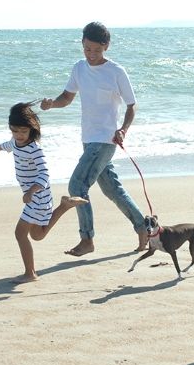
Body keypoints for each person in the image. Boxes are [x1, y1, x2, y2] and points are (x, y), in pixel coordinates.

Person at [40, 22, 147, 257]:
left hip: (106, 140)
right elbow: (67, 97)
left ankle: (86, 239)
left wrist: (123, 129)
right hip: (88, 139)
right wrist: (52, 104)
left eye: (96, 50)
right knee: (113, 190)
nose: (91, 55)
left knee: (77, 186)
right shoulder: (79, 68)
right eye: (87, 49)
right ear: (82, 44)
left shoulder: (116, 72)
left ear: (106, 46)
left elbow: (132, 105)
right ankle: (144, 228)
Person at [0, 102, 87, 283]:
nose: (19, 136)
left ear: (31, 130)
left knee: (20, 234)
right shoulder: (16, 142)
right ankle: (64, 206)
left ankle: (30, 273)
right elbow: (9, 145)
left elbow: (44, 174)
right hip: (36, 197)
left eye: (23, 131)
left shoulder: (35, 149)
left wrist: (31, 191)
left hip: (37, 197)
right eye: (14, 131)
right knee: (37, 235)